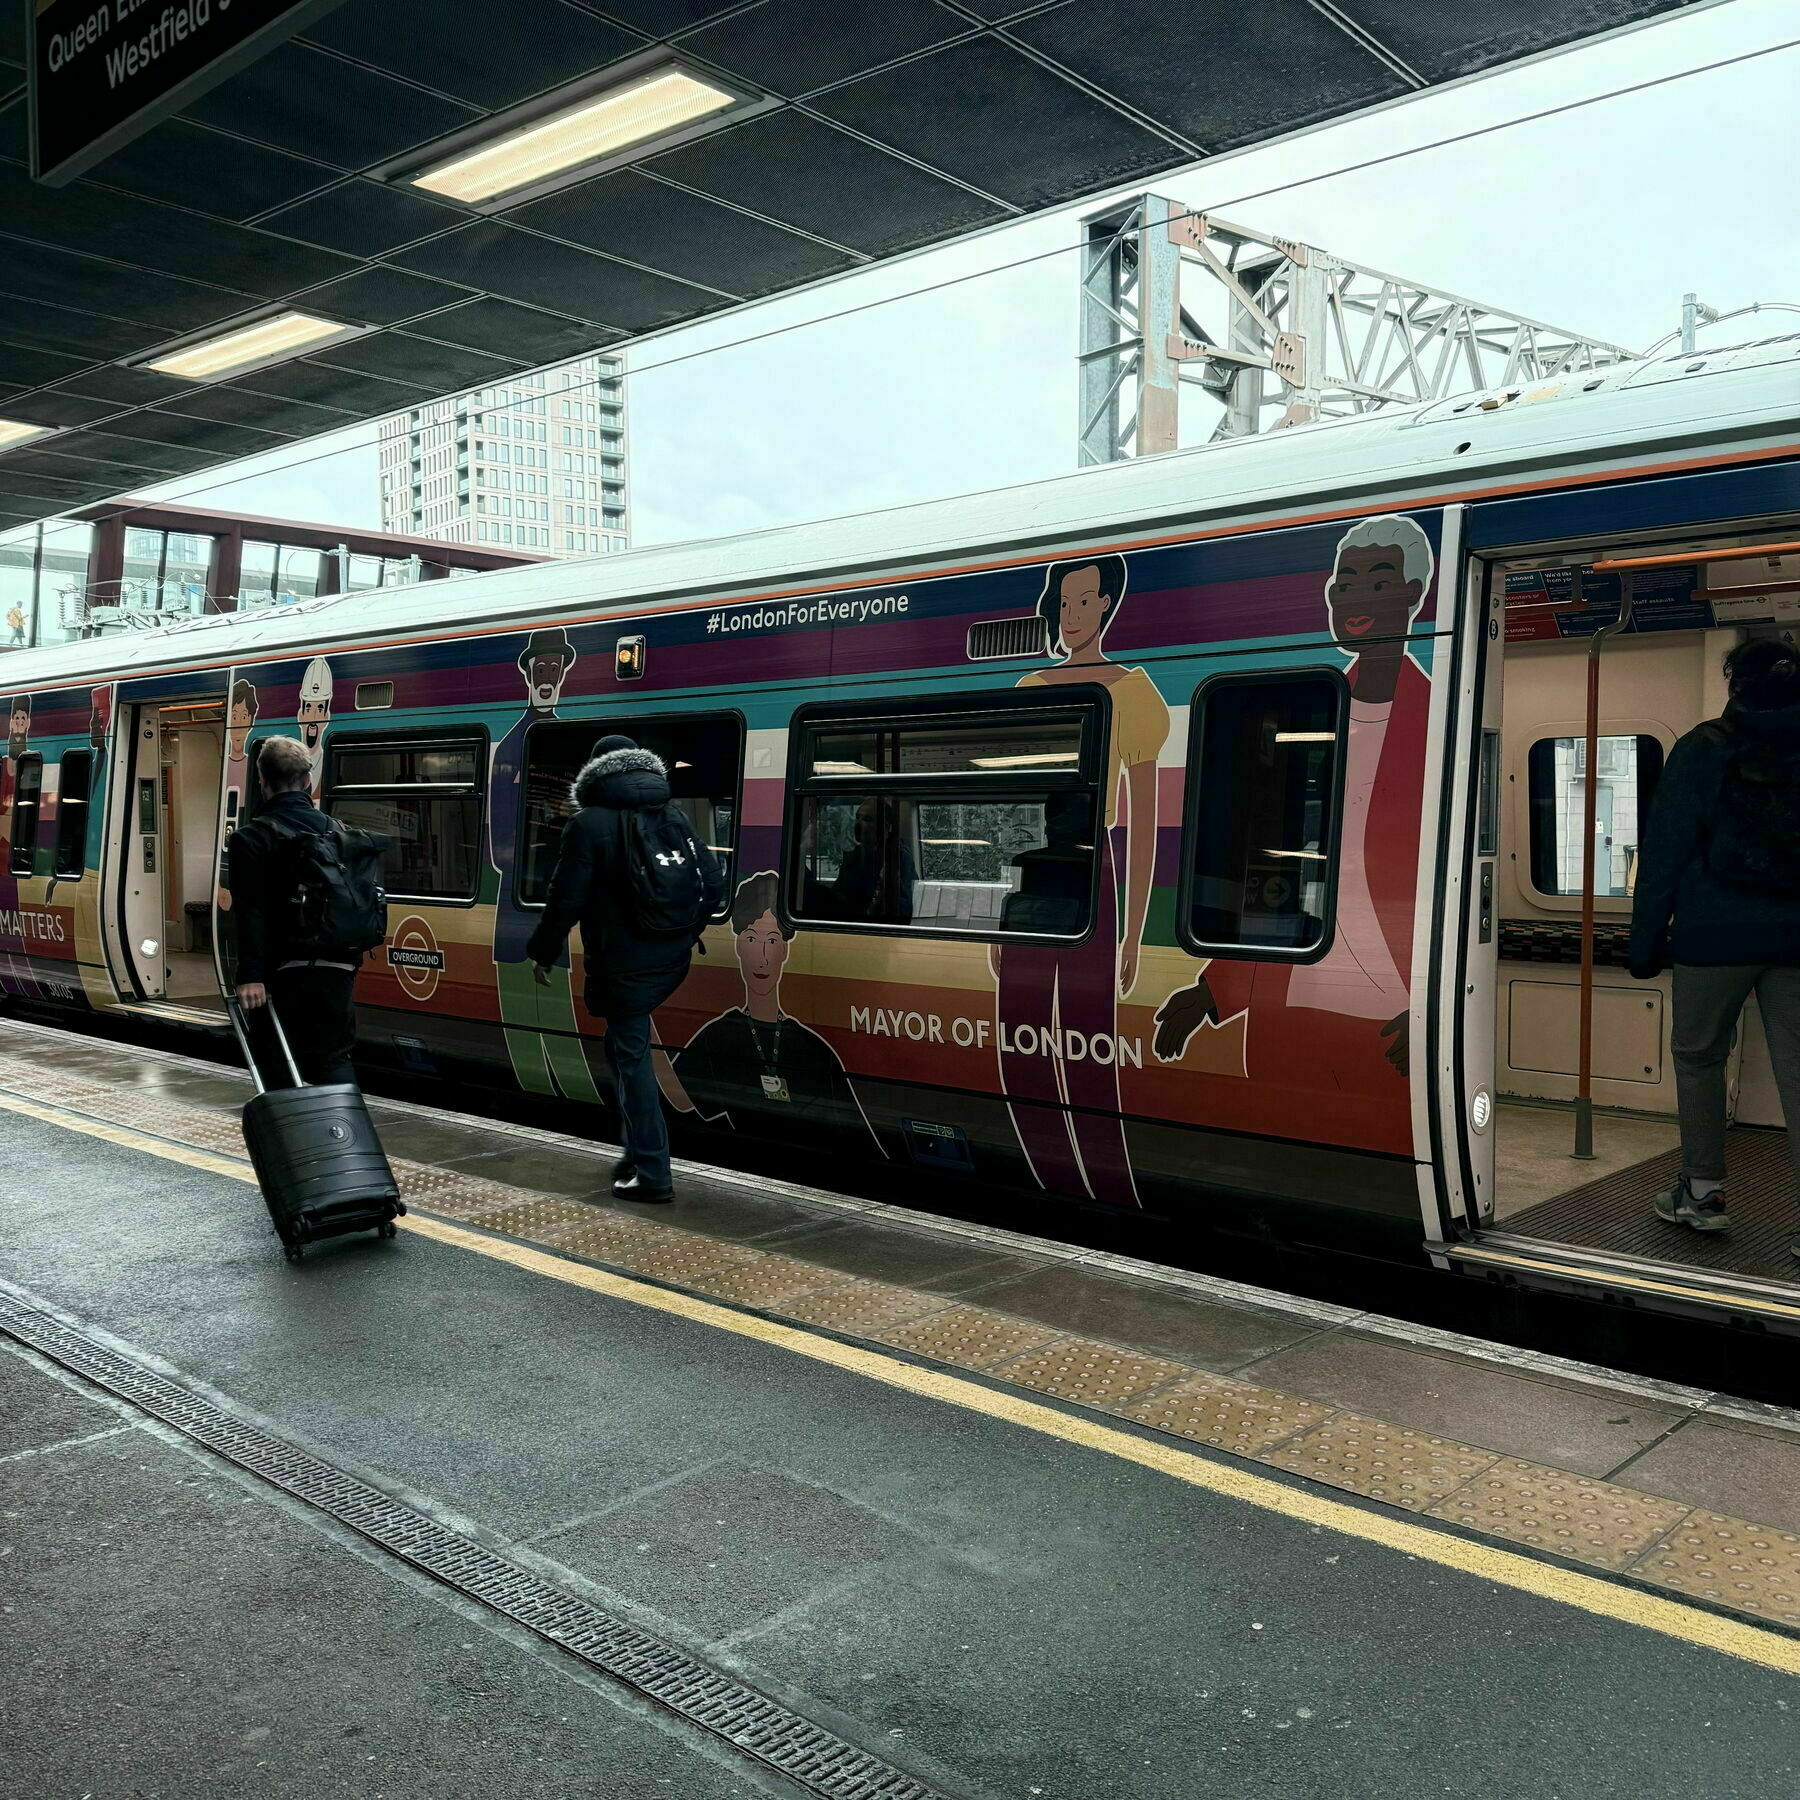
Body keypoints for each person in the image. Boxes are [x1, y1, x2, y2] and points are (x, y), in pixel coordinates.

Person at [997, 554, 1168, 1207]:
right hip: (1030, 875)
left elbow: (1144, 825)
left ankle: (1100, 1175)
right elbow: (1007, 817)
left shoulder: (1135, 695)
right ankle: (1040, 1168)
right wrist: (995, 908)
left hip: (1096, 872)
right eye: (1062, 604)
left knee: (1092, 1040)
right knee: (1023, 1038)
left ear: (1106, 605)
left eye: (1083, 601)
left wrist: (1132, 937)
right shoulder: (1031, 688)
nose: (1071, 615)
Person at [1629, 637, 1800, 1246]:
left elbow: (1666, 849)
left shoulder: (1703, 748)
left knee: (1699, 1058)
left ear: (1735, 685)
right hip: (1795, 938)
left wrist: (1645, 940)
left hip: (1712, 933)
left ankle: (1703, 1194)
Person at [527, 735, 721, 1203]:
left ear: (596, 773)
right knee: (626, 1055)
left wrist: (544, 951)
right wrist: (680, 933)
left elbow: (565, 899)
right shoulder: (672, 815)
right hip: (670, 958)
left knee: (630, 1062)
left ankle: (653, 1174)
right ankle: (635, 1156)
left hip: (622, 964)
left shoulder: (588, 824)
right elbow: (712, 885)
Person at [662, 870, 884, 1153]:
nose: (762, 958)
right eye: (752, 940)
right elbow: (677, 1097)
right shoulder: (720, 1033)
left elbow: (861, 1142)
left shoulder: (814, 1049)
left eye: (773, 941)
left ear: (785, 952)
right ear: (738, 947)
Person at [228, 735, 369, 1088]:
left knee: (277, 1059)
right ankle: (341, 1137)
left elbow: (250, 911)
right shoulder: (337, 832)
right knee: (334, 1058)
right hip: (337, 968)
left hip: (282, 973)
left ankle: (293, 1137)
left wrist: (251, 975)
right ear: (307, 781)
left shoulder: (251, 838)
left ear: (262, 781)